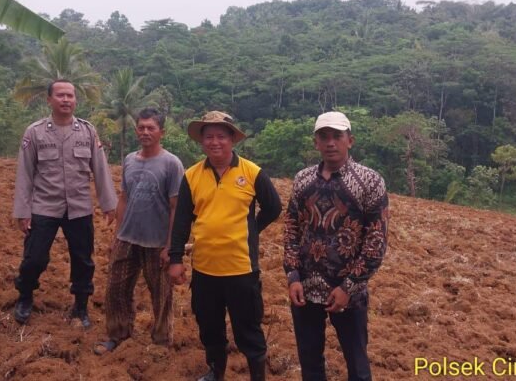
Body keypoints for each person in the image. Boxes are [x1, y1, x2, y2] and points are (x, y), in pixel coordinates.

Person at [169, 111, 282, 381]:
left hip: (241, 268)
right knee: (210, 327)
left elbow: (273, 207)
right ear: (202, 141)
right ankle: (215, 371)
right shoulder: (192, 176)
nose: (215, 142)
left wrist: (250, 230)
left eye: (221, 136)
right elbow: (182, 220)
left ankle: (257, 375)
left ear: (232, 139)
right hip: (205, 268)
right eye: (209, 137)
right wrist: (175, 259)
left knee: (248, 328)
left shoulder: (252, 173)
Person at [283, 111, 389, 381]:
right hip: (305, 290)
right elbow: (292, 229)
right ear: (316, 142)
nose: (330, 142)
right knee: (310, 363)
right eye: (324, 136)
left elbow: (376, 242)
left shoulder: (370, 183)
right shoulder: (303, 180)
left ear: (349, 140)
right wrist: (293, 275)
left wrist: (349, 287)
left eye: (337, 136)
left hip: (348, 292)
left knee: (357, 363)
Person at [12, 80, 117, 328]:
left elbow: (100, 169)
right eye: (60, 95)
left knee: (83, 260)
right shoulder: (35, 132)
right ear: (49, 100)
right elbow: (25, 174)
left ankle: (80, 307)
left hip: (79, 207)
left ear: (75, 100)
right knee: (34, 258)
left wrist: (108, 204)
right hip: (44, 207)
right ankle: (25, 296)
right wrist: (22, 211)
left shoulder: (87, 132)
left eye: (70, 96)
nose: (66, 100)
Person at [93, 108, 184, 355]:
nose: (145, 132)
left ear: (161, 132)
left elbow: (176, 207)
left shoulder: (171, 163)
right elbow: (124, 198)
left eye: (150, 128)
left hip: (157, 242)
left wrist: (170, 246)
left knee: (161, 293)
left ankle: (162, 340)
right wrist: (116, 236)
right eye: (141, 127)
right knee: (116, 288)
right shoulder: (130, 160)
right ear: (136, 131)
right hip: (127, 237)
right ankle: (118, 334)